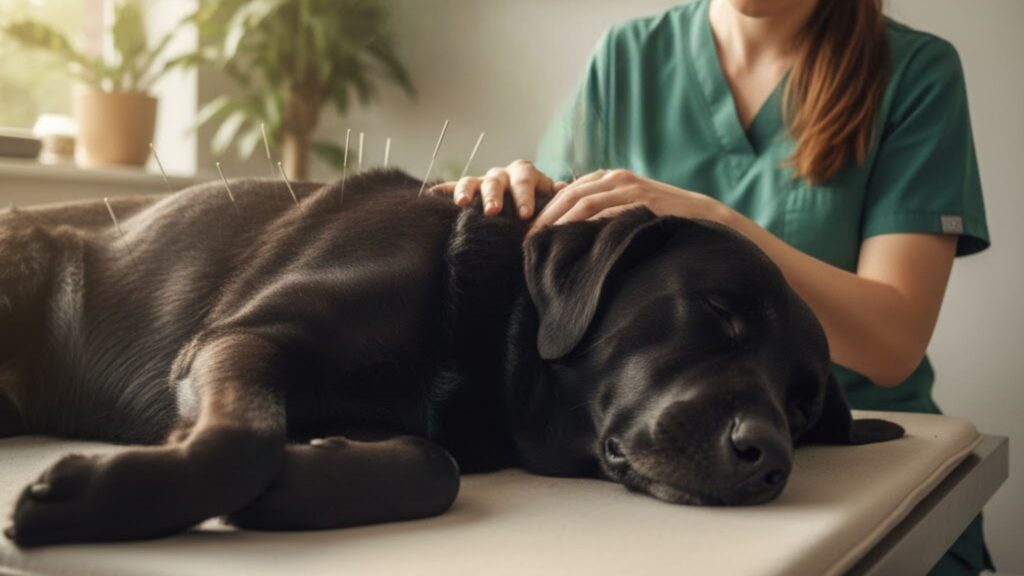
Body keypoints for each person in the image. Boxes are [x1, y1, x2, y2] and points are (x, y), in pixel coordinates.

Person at [431, 0, 992, 573]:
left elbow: (893, 343)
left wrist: (717, 222)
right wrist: (512, 195)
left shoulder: (914, 71)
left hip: (837, 452)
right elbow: (556, 258)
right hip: (655, 441)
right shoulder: (629, 57)